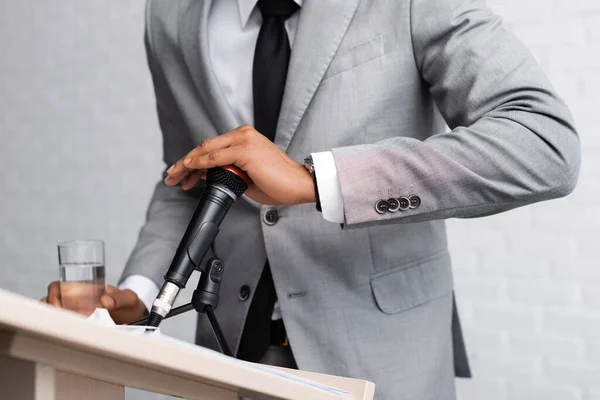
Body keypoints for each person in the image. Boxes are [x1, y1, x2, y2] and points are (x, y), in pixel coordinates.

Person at [43, 0, 581, 398]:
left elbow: (544, 144)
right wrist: (141, 293)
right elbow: (186, 179)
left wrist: (317, 180)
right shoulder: (169, 15)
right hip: (225, 357)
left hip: (384, 359)